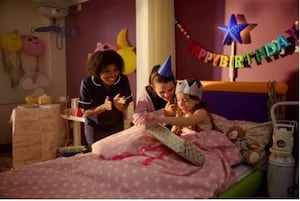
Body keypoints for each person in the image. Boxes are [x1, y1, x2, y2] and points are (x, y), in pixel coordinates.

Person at [78, 49, 133, 148]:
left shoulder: (123, 80)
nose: (112, 75)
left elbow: (125, 106)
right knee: (97, 158)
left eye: (115, 70)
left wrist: (120, 106)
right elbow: (85, 111)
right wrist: (103, 107)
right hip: (95, 129)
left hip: (116, 127)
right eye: (107, 71)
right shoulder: (87, 83)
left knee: (115, 156)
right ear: (97, 71)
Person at [146, 79, 217, 135]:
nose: (181, 104)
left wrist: (159, 118)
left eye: (185, 100)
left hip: (203, 144)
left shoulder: (201, 112)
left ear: (197, 100)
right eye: (178, 100)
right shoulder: (180, 111)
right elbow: (174, 130)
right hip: (187, 143)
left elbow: (187, 121)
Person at [132, 55, 177, 126]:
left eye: (170, 90)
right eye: (162, 92)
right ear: (153, 88)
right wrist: (164, 112)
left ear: (174, 83)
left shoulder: (180, 91)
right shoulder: (147, 94)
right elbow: (137, 120)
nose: (167, 94)